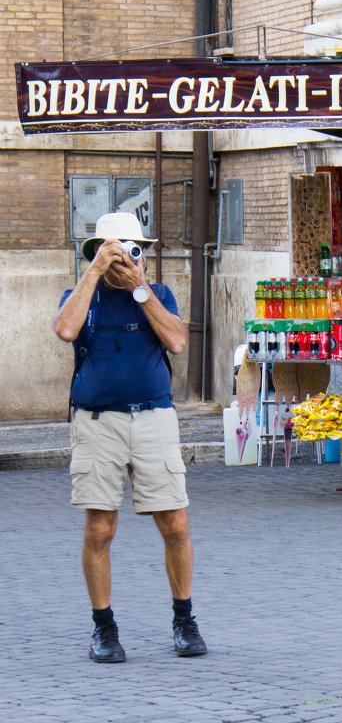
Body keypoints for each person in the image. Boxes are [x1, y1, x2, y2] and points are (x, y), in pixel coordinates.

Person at [52, 212, 206, 663]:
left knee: (175, 523)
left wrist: (139, 286)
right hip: (97, 423)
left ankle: (184, 619)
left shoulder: (157, 294)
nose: (124, 257)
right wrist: (94, 271)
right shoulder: (82, 295)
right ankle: (104, 628)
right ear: (96, 249)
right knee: (100, 528)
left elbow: (177, 343)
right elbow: (65, 329)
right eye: (114, 249)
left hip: (154, 419)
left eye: (132, 249)